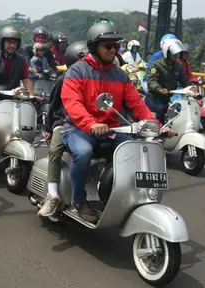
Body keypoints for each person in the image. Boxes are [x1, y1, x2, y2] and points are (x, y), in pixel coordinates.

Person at [60, 22, 174, 222]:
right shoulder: (77, 71)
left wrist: (155, 125)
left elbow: (137, 105)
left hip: (109, 129)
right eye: (108, 46)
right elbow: (72, 103)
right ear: (94, 47)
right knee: (84, 152)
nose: (113, 50)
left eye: (116, 46)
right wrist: (90, 123)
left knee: (137, 148)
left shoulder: (120, 75)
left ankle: (116, 192)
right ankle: (79, 200)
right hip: (78, 129)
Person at [38, 41, 89, 217]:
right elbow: (52, 106)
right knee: (55, 149)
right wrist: (48, 128)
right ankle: (52, 194)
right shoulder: (63, 79)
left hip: (87, 123)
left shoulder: (92, 79)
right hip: (63, 122)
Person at [0, 26, 35, 128]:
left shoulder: (21, 61)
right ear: (2, 42)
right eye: (9, 42)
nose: (12, 45)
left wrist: (31, 96)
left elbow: (26, 81)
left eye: (15, 43)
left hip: (14, 97)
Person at [146, 39, 192, 124]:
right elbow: (151, 81)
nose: (176, 55)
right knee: (161, 108)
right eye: (174, 53)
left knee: (178, 110)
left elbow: (184, 79)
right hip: (154, 97)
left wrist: (192, 88)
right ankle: (158, 130)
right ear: (166, 52)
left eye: (177, 52)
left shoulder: (178, 65)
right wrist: (159, 89)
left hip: (167, 97)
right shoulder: (157, 65)